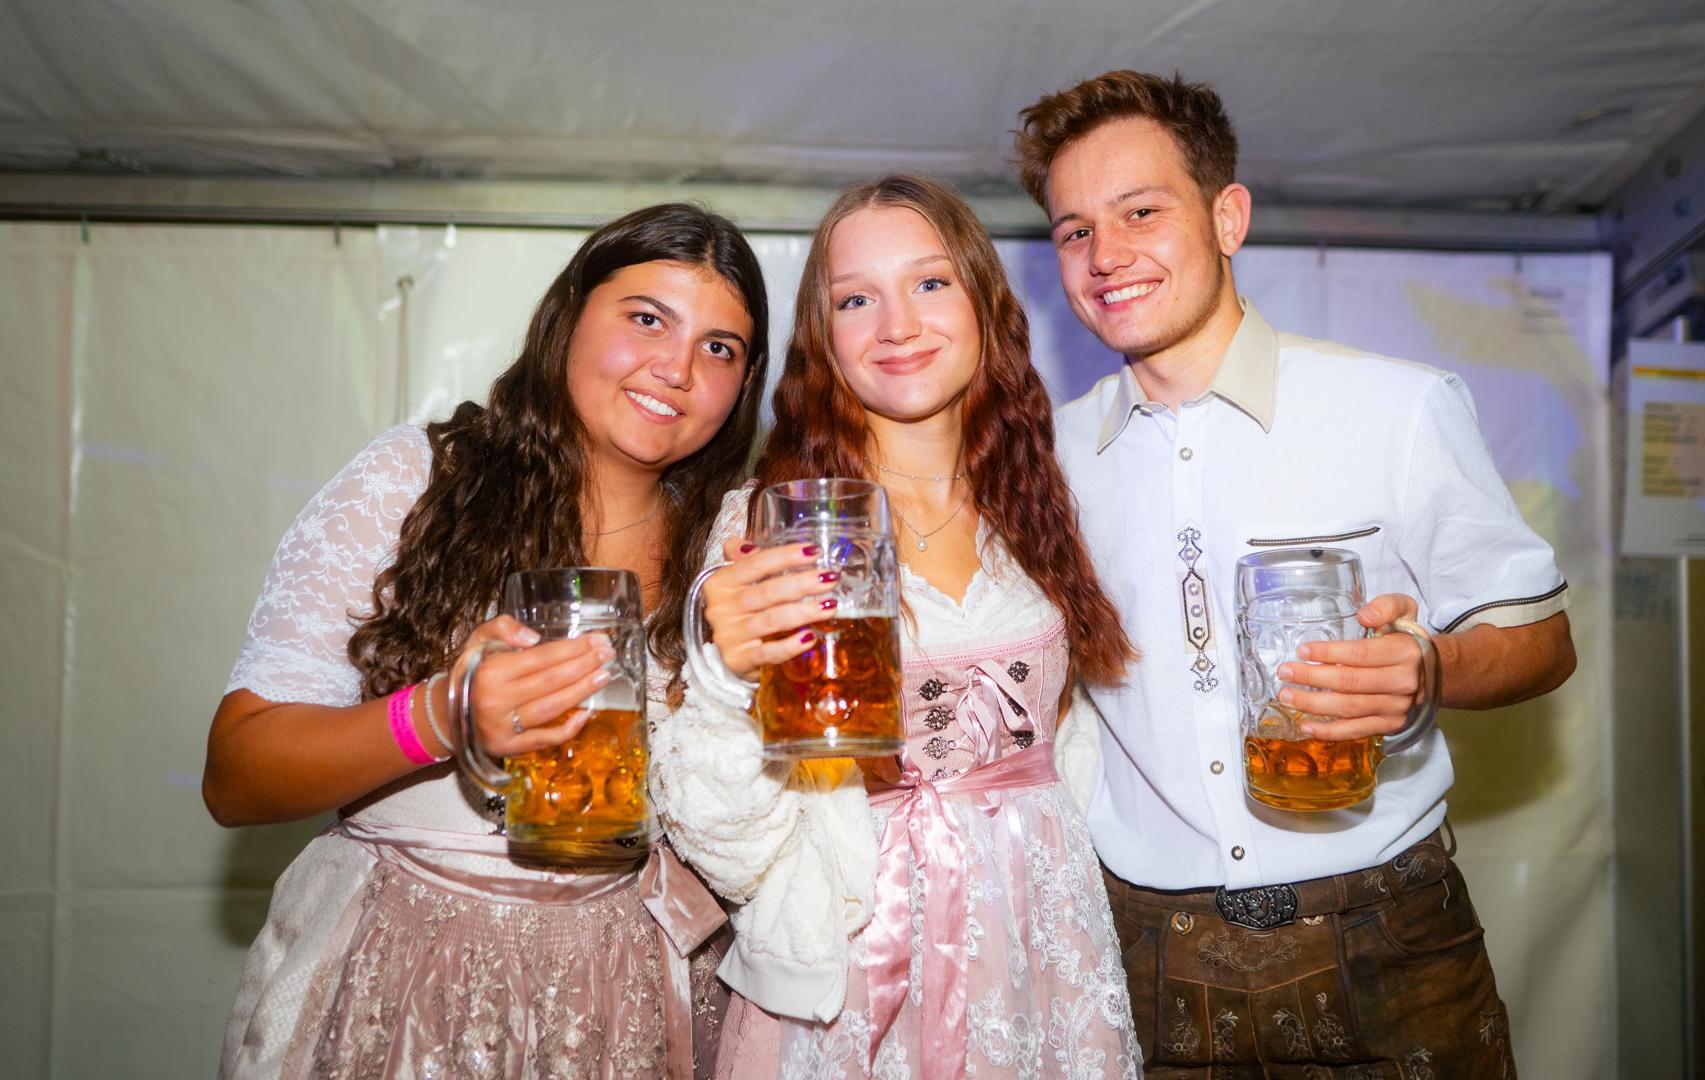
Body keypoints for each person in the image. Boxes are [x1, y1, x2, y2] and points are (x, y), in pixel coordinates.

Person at [1013, 71, 1579, 1076]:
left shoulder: (1395, 408)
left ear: (1228, 216)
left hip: (1388, 936)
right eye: (1073, 231)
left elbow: (1542, 639)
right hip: (1146, 951)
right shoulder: (1048, 460)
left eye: (1141, 212)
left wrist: (1430, 669)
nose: (1106, 257)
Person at [203, 203, 769, 1079]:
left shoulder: (729, 547)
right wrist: (441, 715)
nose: (678, 368)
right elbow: (237, 775)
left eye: (720, 348)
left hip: (628, 999)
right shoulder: (420, 480)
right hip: (398, 980)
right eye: (647, 318)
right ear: (568, 315)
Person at [654, 174, 1142, 1078]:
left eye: (929, 283)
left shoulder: (1045, 498)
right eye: (855, 299)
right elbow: (718, 828)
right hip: (853, 968)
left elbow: (1081, 751)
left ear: (985, 302)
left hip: (1040, 957)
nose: (897, 325)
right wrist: (726, 676)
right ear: (823, 338)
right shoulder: (773, 525)